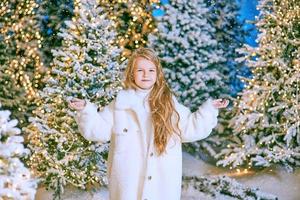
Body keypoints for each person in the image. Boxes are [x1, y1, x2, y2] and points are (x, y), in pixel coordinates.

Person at [69, 48, 229, 200]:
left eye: (151, 70)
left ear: (157, 74)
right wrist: (86, 110)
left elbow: (190, 128)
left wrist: (209, 109)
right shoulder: (120, 104)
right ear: (132, 74)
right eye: (140, 70)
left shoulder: (169, 104)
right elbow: (98, 131)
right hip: (128, 184)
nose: (146, 74)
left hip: (162, 184)